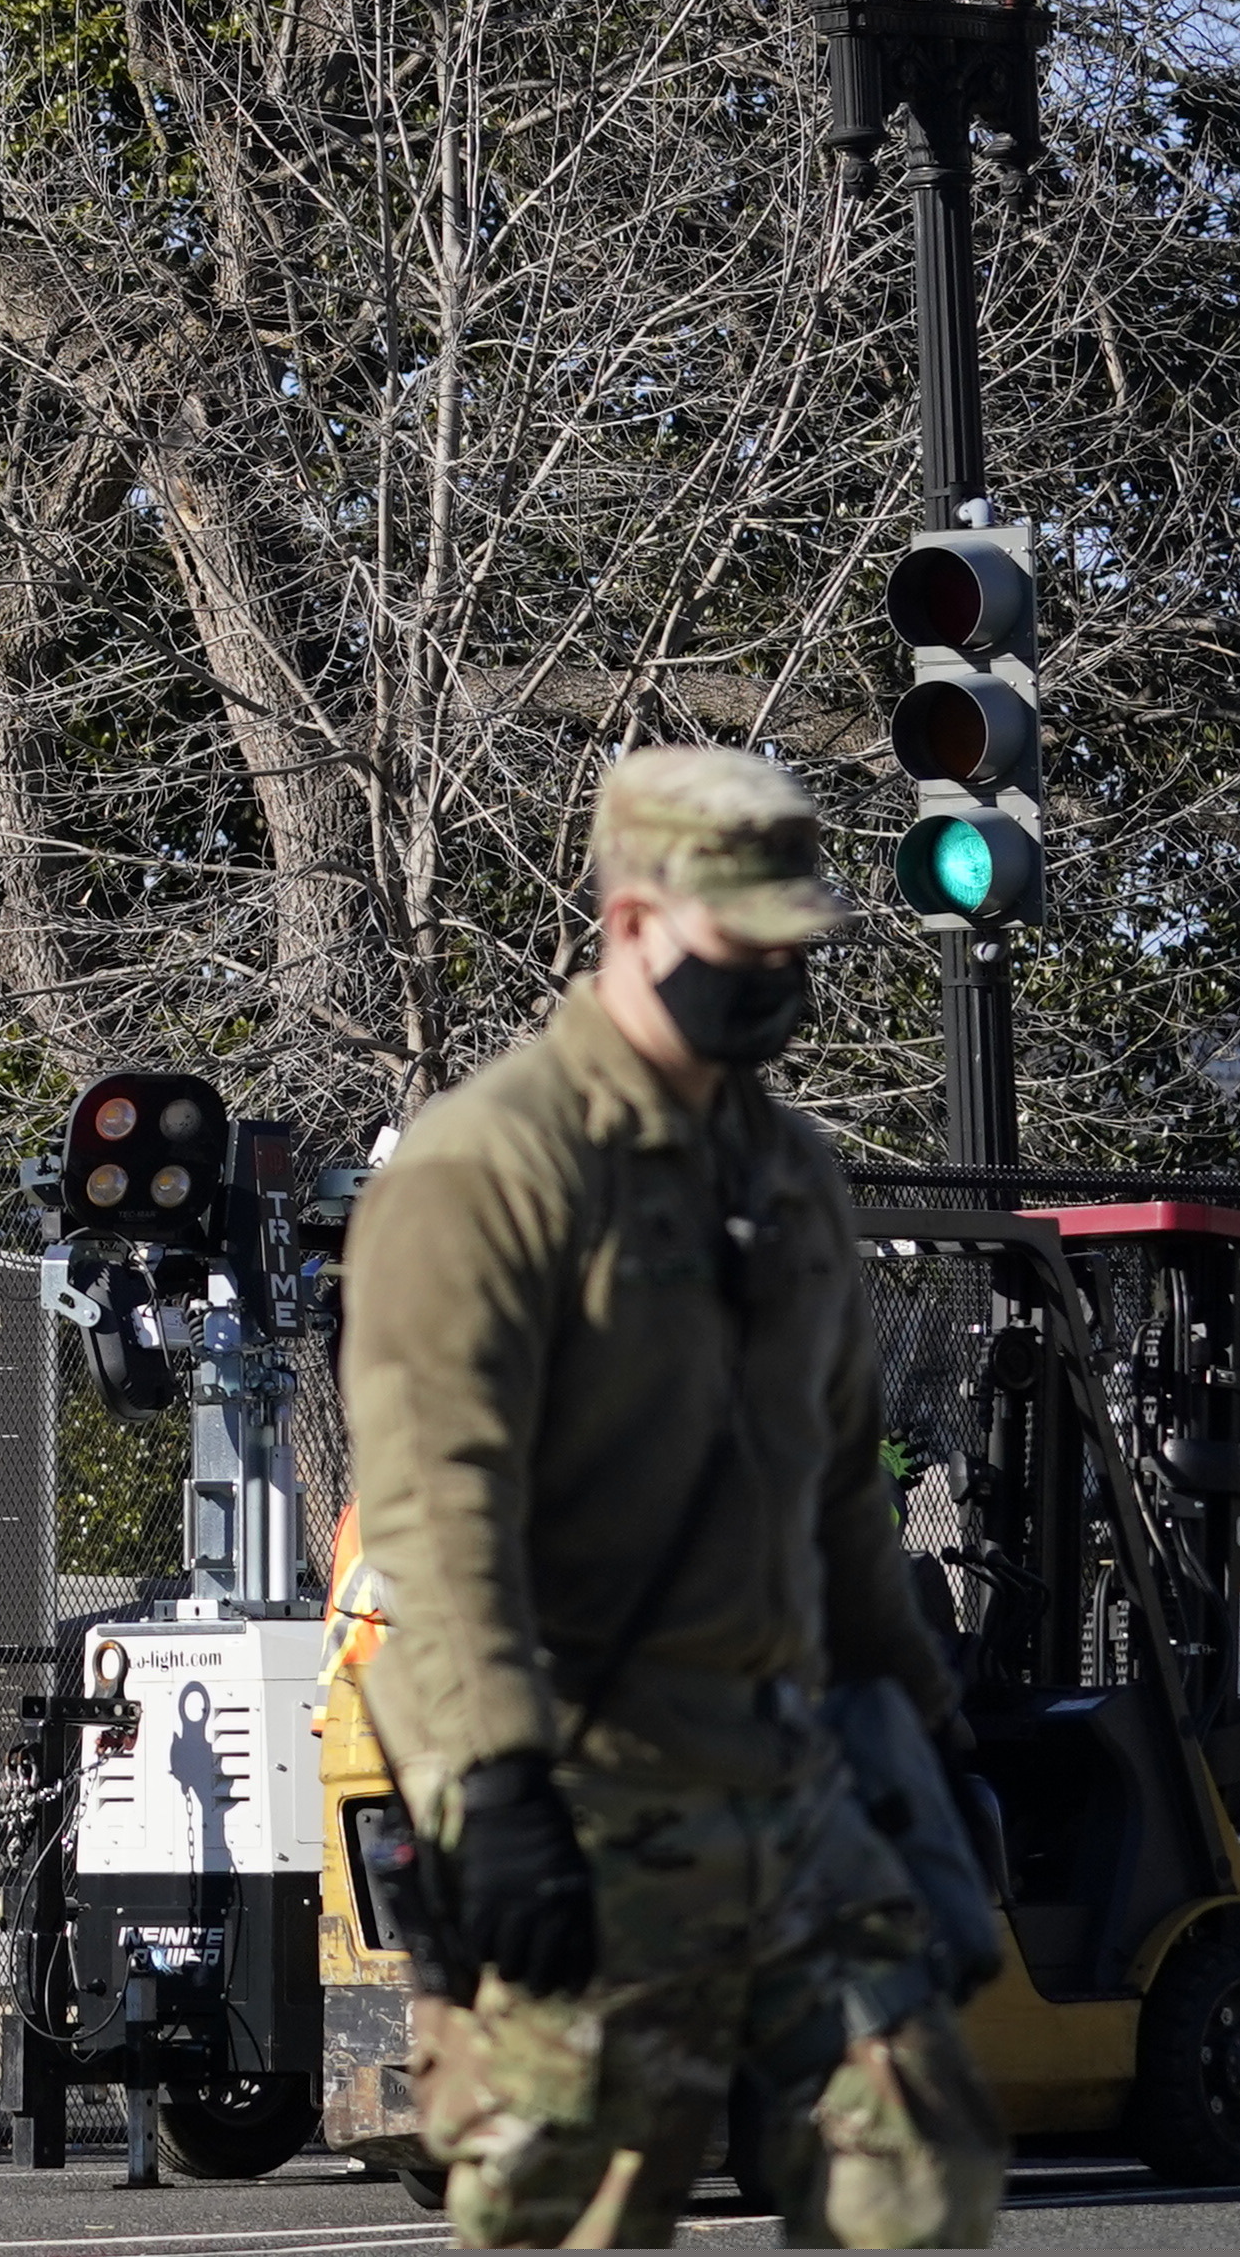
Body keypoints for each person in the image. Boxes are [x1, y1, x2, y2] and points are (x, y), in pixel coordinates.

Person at [341, 747, 1006, 2249]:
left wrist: (935, 1739)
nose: (779, 974)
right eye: (745, 943)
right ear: (633, 921)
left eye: (796, 944)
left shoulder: (792, 1178)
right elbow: (438, 1516)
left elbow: (841, 1495)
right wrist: (491, 1787)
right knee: (583, 2210)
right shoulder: (486, 1171)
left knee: (922, 2176)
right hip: (583, 1783)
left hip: (790, 1775)